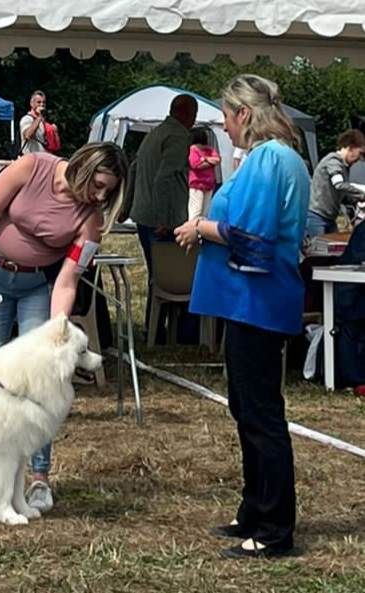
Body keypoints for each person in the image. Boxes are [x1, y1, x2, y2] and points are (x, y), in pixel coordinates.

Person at [0, 142, 128, 512]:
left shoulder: (90, 222)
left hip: (37, 286)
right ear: (83, 167)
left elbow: (67, 280)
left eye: (108, 191)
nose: (100, 195)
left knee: (42, 379)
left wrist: (58, 328)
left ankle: (39, 477)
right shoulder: (31, 168)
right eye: (99, 184)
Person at [175, 74, 310, 559]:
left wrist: (200, 226)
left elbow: (251, 235)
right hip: (248, 301)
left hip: (259, 300)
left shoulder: (272, 159)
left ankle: (275, 527)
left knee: (261, 414)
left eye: (227, 118)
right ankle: (254, 508)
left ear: (244, 115)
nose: (225, 128)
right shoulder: (268, 159)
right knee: (246, 409)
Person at [130, 93, 198, 339]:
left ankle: (155, 328)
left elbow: (135, 167)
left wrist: (127, 208)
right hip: (161, 219)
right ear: (186, 114)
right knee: (175, 276)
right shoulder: (178, 136)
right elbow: (164, 179)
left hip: (143, 214)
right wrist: (163, 218)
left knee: (156, 277)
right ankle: (181, 333)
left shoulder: (155, 133)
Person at [305, 129, 365, 238]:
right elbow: (339, 185)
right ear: (350, 147)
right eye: (360, 153)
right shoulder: (333, 161)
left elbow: (341, 192)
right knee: (318, 252)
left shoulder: (344, 167)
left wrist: (355, 199)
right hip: (317, 218)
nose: (360, 158)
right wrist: (362, 194)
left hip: (329, 219)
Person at [188, 127, 220, 219]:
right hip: (197, 184)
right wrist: (210, 162)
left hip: (209, 184)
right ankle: (193, 230)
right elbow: (195, 165)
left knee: (205, 212)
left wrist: (204, 159)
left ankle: (201, 231)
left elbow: (217, 160)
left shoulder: (210, 150)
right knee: (196, 211)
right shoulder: (193, 149)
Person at [19, 90, 57, 155]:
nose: (42, 105)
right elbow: (28, 135)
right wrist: (39, 117)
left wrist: (54, 132)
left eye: (44, 102)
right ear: (31, 103)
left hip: (43, 159)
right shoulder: (26, 119)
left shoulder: (44, 122)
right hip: (30, 159)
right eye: (38, 102)